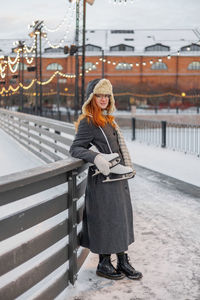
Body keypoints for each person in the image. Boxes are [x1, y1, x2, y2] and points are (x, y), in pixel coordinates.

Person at [69, 78, 142, 280]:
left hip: (118, 179)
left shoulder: (109, 120)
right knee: (106, 220)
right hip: (102, 181)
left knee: (120, 220)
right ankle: (103, 263)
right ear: (92, 98)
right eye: (99, 95)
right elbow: (75, 148)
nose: (103, 99)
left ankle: (123, 261)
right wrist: (96, 158)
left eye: (107, 95)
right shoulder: (88, 121)